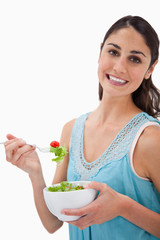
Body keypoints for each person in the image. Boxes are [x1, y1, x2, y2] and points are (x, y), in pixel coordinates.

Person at [4, 15, 160, 239]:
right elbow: (53, 222)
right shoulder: (71, 131)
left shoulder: (150, 138)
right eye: (113, 52)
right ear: (100, 53)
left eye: (134, 59)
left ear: (150, 69)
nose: (119, 67)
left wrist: (123, 207)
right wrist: (35, 173)